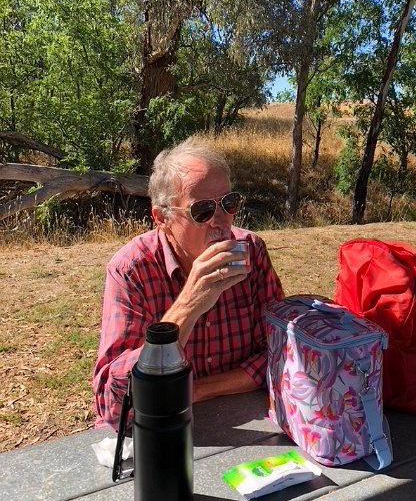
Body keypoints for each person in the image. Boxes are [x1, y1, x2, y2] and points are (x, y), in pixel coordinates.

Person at [92, 138, 284, 430]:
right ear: (162, 218)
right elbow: (114, 403)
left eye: (229, 203)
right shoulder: (132, 270)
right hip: (157, 431)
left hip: (243, 417)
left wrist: (193, 391)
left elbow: (281, 355)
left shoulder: (250, 251)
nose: (221, 221)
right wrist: (188, 305)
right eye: (202, 210)